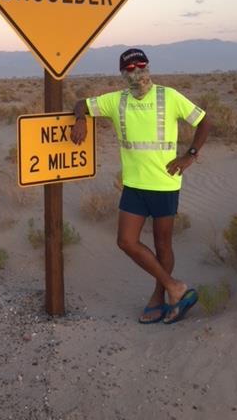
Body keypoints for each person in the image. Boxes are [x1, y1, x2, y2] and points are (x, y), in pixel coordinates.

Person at [71, 48, 210, 324]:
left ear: (148, 67)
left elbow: (204, 120)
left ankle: (160, 297)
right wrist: (80, 119)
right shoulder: (116, 100)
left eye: (141, 66)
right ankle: (175, 287)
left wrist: (190, 155)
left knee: (163, 245)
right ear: (123, 74)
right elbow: (80, 103)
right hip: (134, 185)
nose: (137, 73)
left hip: (165, 183)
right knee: (126, 241)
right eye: (130, 69)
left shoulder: (169, 96)